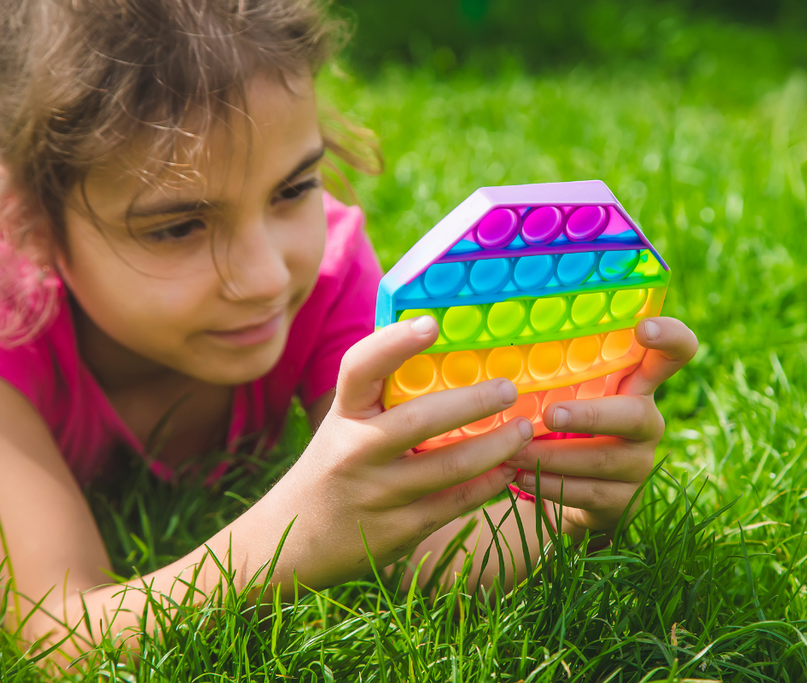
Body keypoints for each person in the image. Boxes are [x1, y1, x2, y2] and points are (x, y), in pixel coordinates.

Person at [0, 0, 698, 665]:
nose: (268, 276)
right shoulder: (9, 338)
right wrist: (296, 534)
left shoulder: (328, 277)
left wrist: (568, 508)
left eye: (293, 189)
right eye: (179, 226)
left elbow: (440, 551)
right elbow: (60, 634)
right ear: (32, 223)